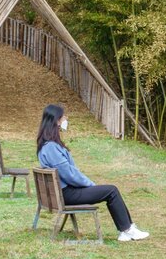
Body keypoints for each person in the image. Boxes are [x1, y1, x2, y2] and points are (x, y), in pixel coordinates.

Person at [36, 103, 149, 242]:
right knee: (111, 191)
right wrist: (90, 184)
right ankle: (127, 230)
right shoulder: (51, 147)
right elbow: (69, 174)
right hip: (67, 194)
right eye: (63, 116)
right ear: (57, 121)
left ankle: (127, 229)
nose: (66, 119)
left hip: (62, 193)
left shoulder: (47, 145)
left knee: (111, 190)